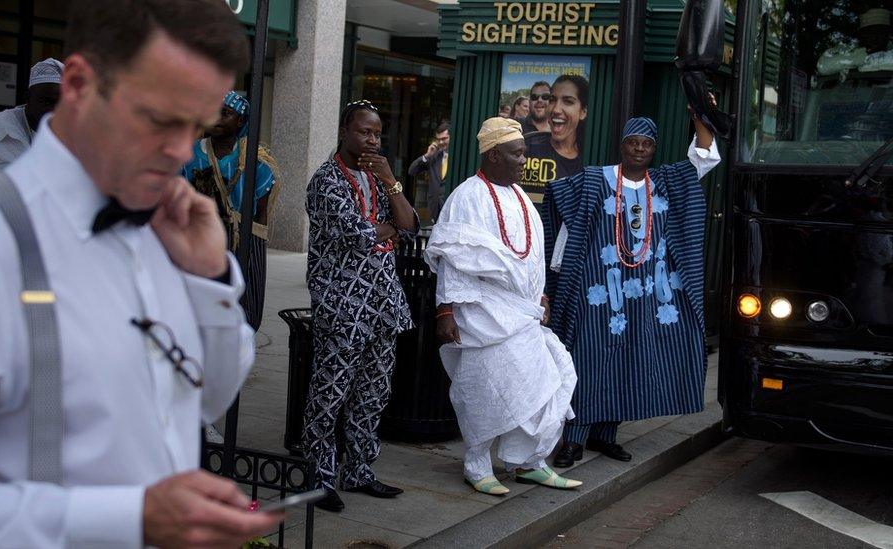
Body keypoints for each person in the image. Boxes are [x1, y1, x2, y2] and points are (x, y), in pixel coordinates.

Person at [0, 0, 284, 546]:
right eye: (161, 119)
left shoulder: (168, 226)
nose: (182, 150)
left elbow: (210, 397)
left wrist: (210, 279)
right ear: (80, 84)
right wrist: (129, 517)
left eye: (197, 126)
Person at [543, 112, 720, 469]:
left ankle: (605, 436)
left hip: (649, 296)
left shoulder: (667, 181)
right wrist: (561, 278)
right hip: (599, 293)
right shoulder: (594, 180)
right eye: (633, 142)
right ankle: (573, 439)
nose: (639, 149)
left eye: (647, 144)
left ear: (654, 149)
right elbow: (568, 228)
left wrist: (701, 113)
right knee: (590, 359)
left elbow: (704, 155)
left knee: (629, 361)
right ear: (621, 146)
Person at [425, 118, 581, 496]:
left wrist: (540, 296)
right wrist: (446, 310)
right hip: (480, 314)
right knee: (483, 390)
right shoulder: (467, 196)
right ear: (494, 155)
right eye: (517, 153)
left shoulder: (522, 198)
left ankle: (529, 463)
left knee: (544, 383)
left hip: (521, 313)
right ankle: (476, 465)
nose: (524, 161)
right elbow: (453, 256)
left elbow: (533, 257)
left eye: (524, 153)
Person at [303, 99, 419, 513]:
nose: (371, 139)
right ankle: (319, 476)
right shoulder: (326, 181)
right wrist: (387, 231)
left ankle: (359, 471)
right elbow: (360, 235)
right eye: (364, 131)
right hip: (343, 305)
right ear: (344, 131)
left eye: (377, 133)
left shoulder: (378, 177)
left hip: (383, 303)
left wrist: (391, 181)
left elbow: (410, 223)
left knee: (373, 393)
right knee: (330, 392)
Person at [183, 90, 279, 331]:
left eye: (225, 113)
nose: (216, 117)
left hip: (240, 242)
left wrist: (253, 246)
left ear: (240, 121)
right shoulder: (190, 154)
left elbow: (261, 212)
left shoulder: (255, 160)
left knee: (242, 303)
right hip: (200, 239)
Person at [0, 58, 64, 196]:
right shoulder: (1, 126)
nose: (53, 109)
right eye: (47, 101)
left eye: (59, 103)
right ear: (28, 98)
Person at [523, 75, 589, 196]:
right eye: (552, 100)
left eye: (568, 101)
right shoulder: (527, 147)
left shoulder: (591, 158)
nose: (556, 110)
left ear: (583, 112)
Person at [817, 8, 892, 75]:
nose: (875, 37)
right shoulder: (850, 51)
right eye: (870, 33)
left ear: (888, 34)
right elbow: (823, 66)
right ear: (862, 35)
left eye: (880, 32)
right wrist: (865, 55)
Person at [408, 120, 450, 223]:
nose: (441, 142)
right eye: (438, 139)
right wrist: (427, 156)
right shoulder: (434, 156)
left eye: (444, 139)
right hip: (435, 209)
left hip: (451, 208)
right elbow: (412, 171)